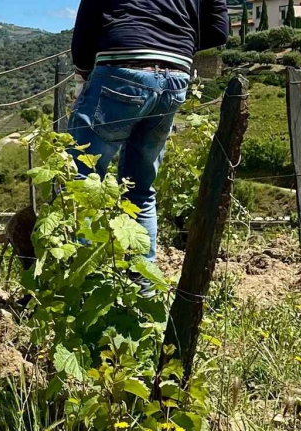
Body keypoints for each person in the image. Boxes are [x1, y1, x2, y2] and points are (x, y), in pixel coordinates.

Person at [68, 0, 229, 261]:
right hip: (176, 76)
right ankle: (142, 290)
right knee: (140, 190)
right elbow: (219, 30)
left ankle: (82, 287)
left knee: (81, 180)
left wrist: (83, 71)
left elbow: (88, 19)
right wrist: (174, 39)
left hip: (121, 64)